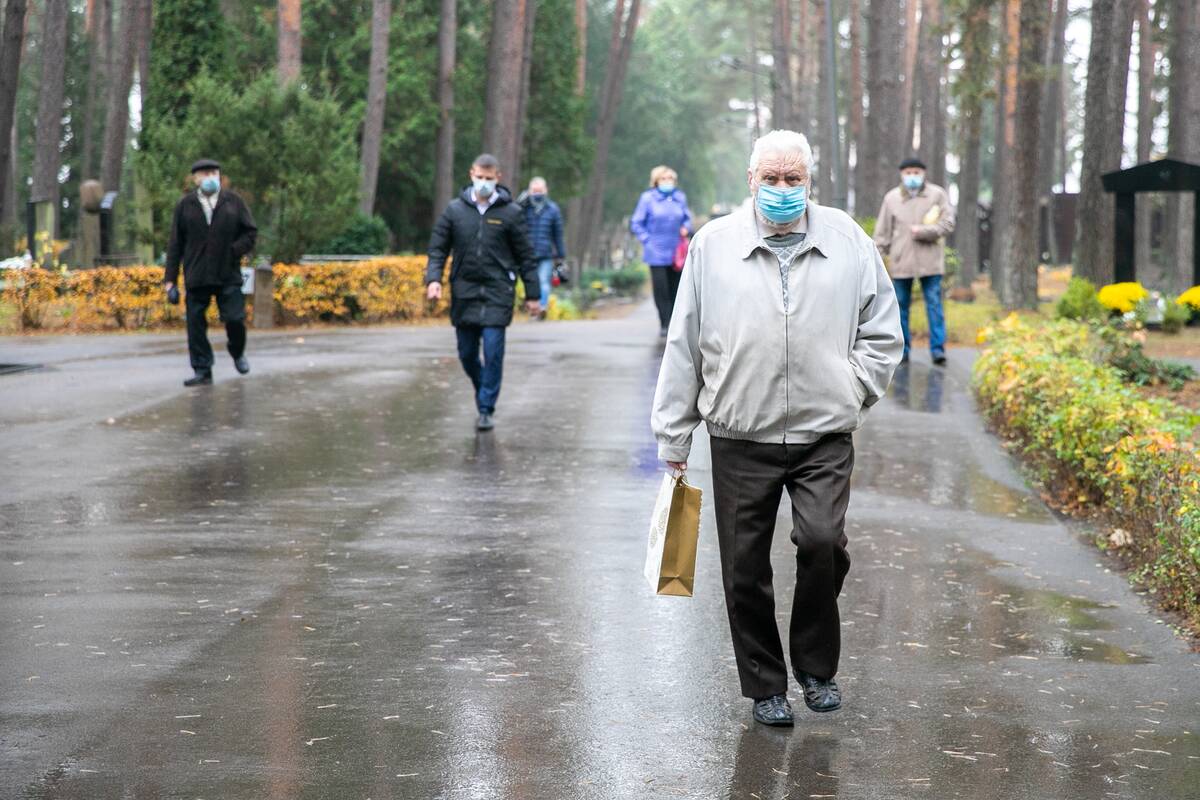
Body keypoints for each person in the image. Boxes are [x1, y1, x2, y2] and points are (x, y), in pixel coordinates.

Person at [651, 130, 902, 727]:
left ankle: (815, 667)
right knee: (744, 567)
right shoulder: (713, 245)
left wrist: (853, 387)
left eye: (794, 179)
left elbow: (883, 328)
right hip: (740, 432)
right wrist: (674, 434)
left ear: (810, 181)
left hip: (823, 433)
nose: (783, 189)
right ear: (751, 180)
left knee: (821, 542)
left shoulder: (847, 239)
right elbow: (684, 342)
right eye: (772, 178)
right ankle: (765, 684)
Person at [426, 153, 540, 432]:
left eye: (489, 178)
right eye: (480, 177)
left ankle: (486, 408)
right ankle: (482, 388)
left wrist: (533, 295)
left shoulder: (511, 213)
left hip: (498, 292)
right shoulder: (454, 211)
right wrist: (433, 279)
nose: (484, 183)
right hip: (464, 292)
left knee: (493, 352)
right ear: (471, 174)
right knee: (467, 354)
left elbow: (526, 257)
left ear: (498, 178)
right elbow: (438, 248)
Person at [164, 158, 258, 387]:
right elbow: (175, 244)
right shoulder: (185, 205)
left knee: (235, 319)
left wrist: (234, 251)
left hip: (228, 273)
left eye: (213, 173)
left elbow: (250, 233)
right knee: (195, 324)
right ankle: (202, 369)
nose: (210, 177)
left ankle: (237, 351)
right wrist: (170, 281)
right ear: (195, 178)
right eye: (205, 174)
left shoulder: (233, 201)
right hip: (197, 274)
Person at [873, 156, 956, 365]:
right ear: (901, 174)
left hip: (931, 262)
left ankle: (938, 350)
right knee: (900, 307)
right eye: (908, 173)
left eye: (916, 172)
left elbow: (948, 223)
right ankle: (903, 350)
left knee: (934, 306)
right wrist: (876, 258)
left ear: (923, 173)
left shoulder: (937, 195)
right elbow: (882, 233)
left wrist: (924, 231)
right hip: (901, 262)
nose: (912, 176)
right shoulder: (891, 198)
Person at [631, 166, 693, 336]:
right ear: (656, 181)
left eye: (670, 179)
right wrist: (647, 240)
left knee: (676, 288)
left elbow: (687, 219)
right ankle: (664, 322)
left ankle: (675, 322)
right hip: (656, 251)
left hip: (677, 252)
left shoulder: (679, 197)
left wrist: (686, 227)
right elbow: (636, 223)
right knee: (661, 289)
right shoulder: (647, 199)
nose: (668, 182)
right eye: (664, 179)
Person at [521, 176, 566, 318]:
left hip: (546, 253)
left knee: (543, 281)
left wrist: (560, 255)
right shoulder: (524, 208)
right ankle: (532, 309)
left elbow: (558, 234)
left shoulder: (553, 209)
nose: (537, 194)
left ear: (546, 190)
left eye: (539, 191)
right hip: (527, 253)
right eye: (534, 191)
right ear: (529, 191)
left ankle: (542, 307)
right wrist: (521, 202)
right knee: (529, 282)